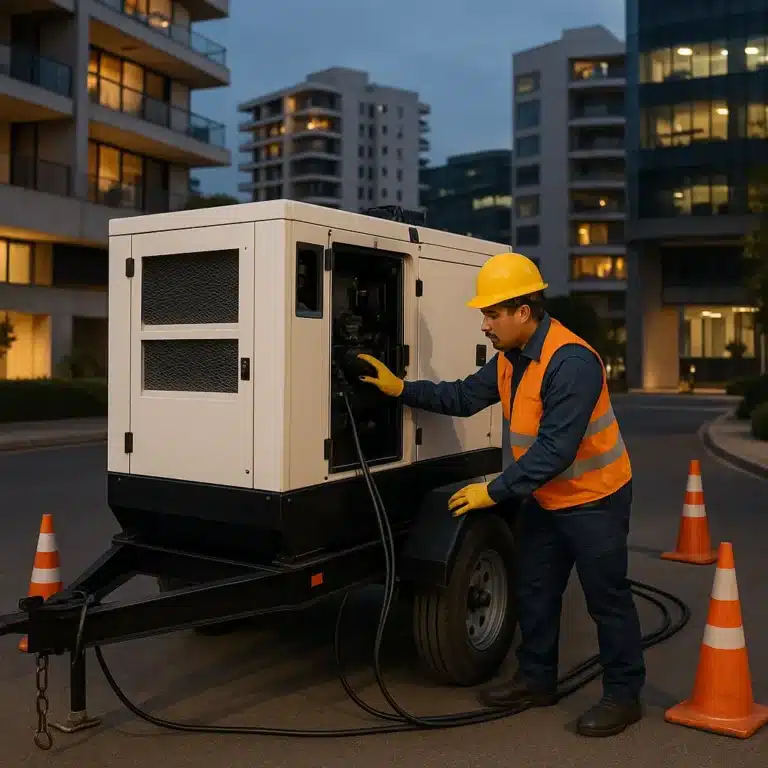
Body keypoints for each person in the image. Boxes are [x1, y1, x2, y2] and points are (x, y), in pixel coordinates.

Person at [356, 251, 645, 738]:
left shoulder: (571, 363)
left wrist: (492, 491)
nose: (484, 325)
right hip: (546, 498)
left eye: (492, 314)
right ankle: (536, 680)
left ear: (523, 312)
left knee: (607, 599)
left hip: (594, 499)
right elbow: (463, 396)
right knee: (535, 590)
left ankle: (623, 695)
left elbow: (555, 450)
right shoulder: (511, 359)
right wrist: (401, 388)